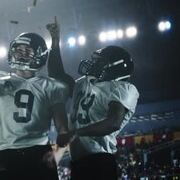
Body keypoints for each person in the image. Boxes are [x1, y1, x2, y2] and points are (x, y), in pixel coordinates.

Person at [0, 19, 70, 180]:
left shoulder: (51, 86)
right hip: (9, 153)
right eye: (18, 49)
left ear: (39, 55)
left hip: (40, 151)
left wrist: (57, 156)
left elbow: (63, 131)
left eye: (27, 50)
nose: (21, 53)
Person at [46, 19, 139, 180]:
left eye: (101, 62)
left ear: (115, 67)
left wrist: (76, 133)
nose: (95, 64)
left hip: (100, 161)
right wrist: (55, 40)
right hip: (78, 161)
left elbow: (113, 122)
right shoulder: (84, 83)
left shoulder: (123, 88)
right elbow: (57, 75)